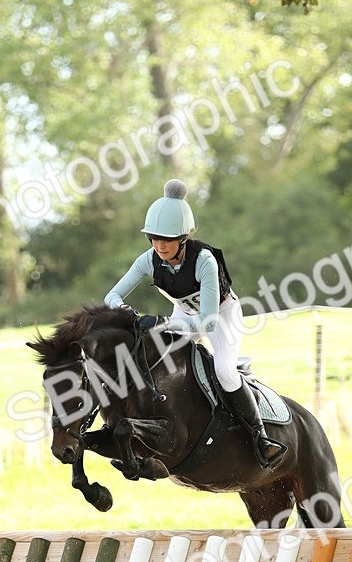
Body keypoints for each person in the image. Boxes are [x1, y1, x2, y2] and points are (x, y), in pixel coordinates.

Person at [103, 179, 286, 468]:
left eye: (167, 239)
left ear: (184, 238)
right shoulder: (148, 260)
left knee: (224, 371)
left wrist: (162, 323)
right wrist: (126, 311)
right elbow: (111, 296)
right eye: (153, 238)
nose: (159, 246)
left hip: (221, 316)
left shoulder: (204, 260)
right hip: (183, 313)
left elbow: (208, 323)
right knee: (157, 363)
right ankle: (150, 441)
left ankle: (261, 438)